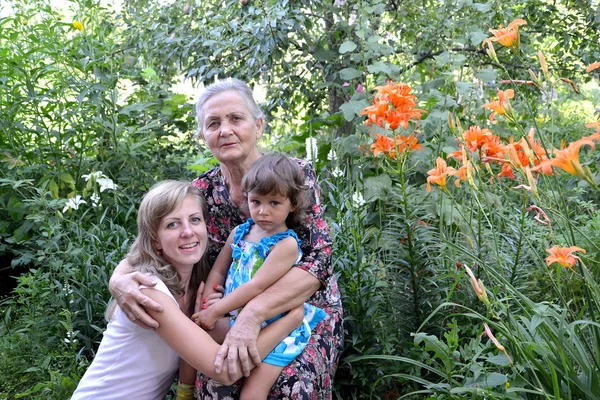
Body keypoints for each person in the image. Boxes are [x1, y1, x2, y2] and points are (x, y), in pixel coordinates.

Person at [109, 78, 343, 398]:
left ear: (258, 125)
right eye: (214, 123)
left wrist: (254, 312)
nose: (225, 130)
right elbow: (155, 240)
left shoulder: (293, 175)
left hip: (298, 314)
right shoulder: (201, 192)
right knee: (218, 383)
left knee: (288, 387)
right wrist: (118, 278)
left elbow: (320, 259)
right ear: (202, 136)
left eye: (236, 119)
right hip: (227, 314)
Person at [73, 181, 303, 400]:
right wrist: (289, 321)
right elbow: (223, 369)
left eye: (194, 220)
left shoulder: (198, 286)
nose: (187, 232)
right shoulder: (150, 291)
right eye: (172, 224)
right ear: (155, 240)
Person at [187, 154, 326, 398]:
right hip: (236, 317)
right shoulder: (240, 232)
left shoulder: (285, 245)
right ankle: (184, 390)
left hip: (275, 326)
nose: (263, 211)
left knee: (253, 392)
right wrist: (210, 302)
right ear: (246, 199)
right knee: (194, 334)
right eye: (256, 201)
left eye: (274, 203)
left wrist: (216, 312)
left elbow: (256, 286)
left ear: (292, 204)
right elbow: (219, 269)